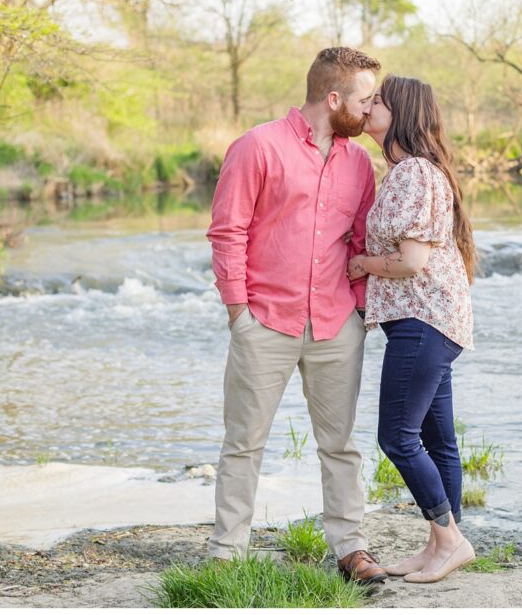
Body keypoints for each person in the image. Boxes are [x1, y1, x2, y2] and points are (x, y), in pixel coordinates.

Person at [205, 47, 388, 584]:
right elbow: (227, 231)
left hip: (337, 326)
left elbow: (359, 239)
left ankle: (352, 549)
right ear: (333, 100)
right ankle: (226, 552)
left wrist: (358, 310)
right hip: (264, 321)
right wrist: (239, 312)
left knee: (341, 445)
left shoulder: (358, 162)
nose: (370, 109)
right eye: (364, 99)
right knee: (244, 443)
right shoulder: (257, 147)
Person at [348, 75, 478, 583]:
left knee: (398, 437)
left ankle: (448, 540)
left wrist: (362, 263)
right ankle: (443, 545)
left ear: (399, 112)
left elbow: (411, 261)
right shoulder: (409, 171)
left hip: (423, 321)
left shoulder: (415, 172)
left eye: (376, 101)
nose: (368, 107)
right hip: (433, 321)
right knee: (438, 439)